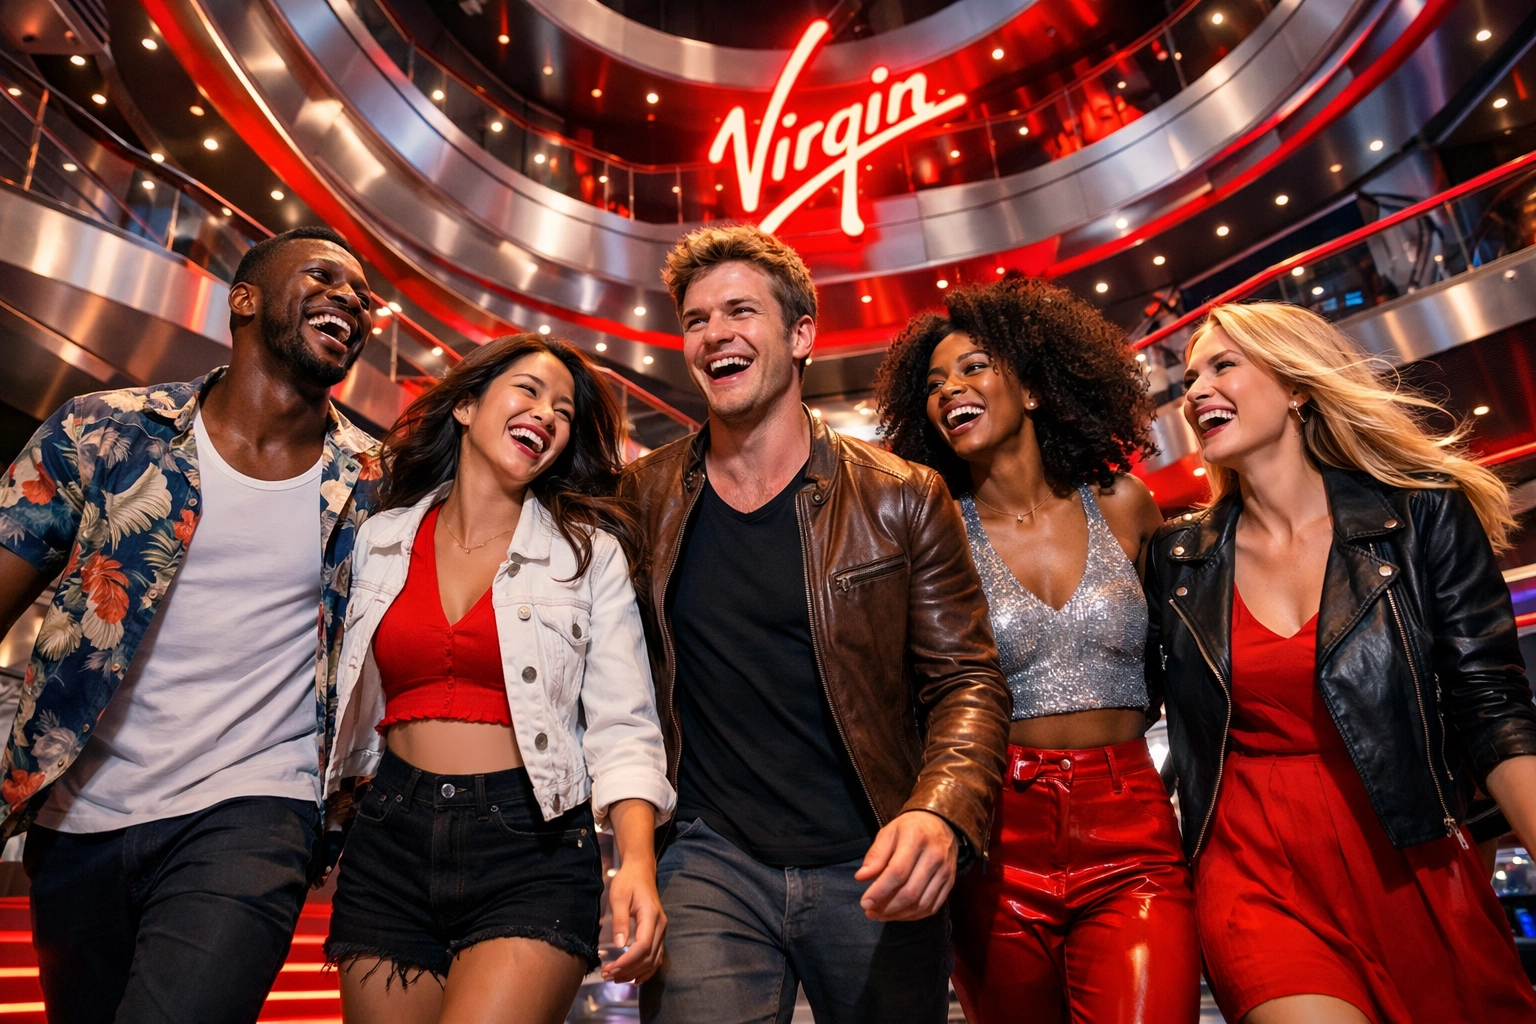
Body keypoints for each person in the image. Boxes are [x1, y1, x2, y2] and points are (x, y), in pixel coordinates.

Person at [622, 224, 1011, 1024]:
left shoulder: (902, 494)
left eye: (740, 311)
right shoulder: (643, 498)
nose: (715, 334)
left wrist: (940, 809)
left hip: (872, 857)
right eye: (696, 320)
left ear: (801, 334)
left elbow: (966, 681)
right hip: (708, 858)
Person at [0, 226, 380, 1023]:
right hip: (82, 813)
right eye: (324, 276)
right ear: (242, 300)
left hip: (258, 808)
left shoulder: (376, 484)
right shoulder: (103, 431)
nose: (352, 298)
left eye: (363, 294)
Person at [1147, 301, 1536, 1024]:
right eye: (1189, 376)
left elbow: (1492, 707)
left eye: (1223, 364)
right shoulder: (1176, 557)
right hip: (1254, 867)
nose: (1195, 389)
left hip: (1408, 851)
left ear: (1298, 385)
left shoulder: (1422, 512)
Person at [874, 277, 1201, 1024]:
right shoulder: (933, 532)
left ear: (1034, 390)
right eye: (932, 384)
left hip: (1134, 832)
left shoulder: (1125, 503)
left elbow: (1181, 664)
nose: (949, 388)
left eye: (973, 367)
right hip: (993, 838)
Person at [323, 334, 675, 1023]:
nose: (547, 413)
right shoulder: (379, 538)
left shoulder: (585, 553)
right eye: (529, 391)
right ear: (464, 406)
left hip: (531, 844)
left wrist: (636, 861)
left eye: (564, 410)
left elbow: (624, 724)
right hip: (389, 836)